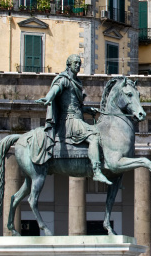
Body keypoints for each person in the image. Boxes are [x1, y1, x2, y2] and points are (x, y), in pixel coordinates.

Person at [36, 54, 112, 185]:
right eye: (75, 63)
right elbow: (55, 89)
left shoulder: (78, 82)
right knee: (94, 137)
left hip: (78, 118)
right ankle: (97, 171)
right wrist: (48, 97)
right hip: (70, 121)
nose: (78, 65)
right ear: (69, 65)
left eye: (79, 63)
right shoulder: (64, 79)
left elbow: (77, 106)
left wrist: (88, 110)